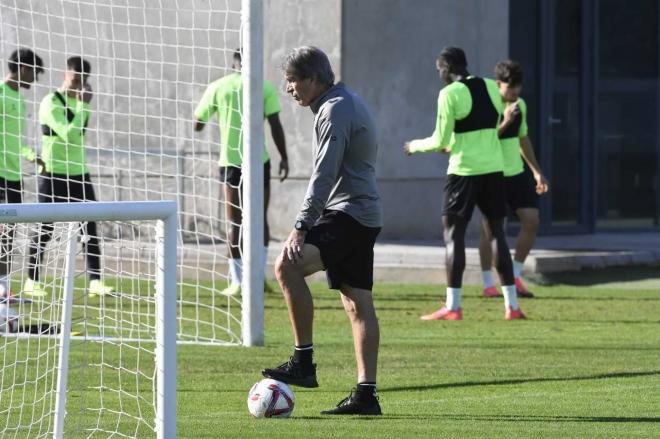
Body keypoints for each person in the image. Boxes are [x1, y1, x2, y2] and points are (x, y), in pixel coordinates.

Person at [261, 46, 383, 415]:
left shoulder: (334, 109)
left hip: (348, 214)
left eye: (293, 80)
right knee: (356, 301)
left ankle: (303, 361)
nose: (288, 89)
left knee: (287, 265)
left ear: (314, 78)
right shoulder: (342, 101)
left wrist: (301, 226)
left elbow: (323, 176)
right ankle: (366, 396)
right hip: (363, 214)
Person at [404, 47, 525, 320]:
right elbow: (494, 125)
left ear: (446, 68)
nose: (439, 75)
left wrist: (413, 146)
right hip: (494, 169)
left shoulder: (449, 93)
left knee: (454, 235)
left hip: (464, 172)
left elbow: (440, 140)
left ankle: (453, 306)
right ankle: (512, 306)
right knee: (497, 234)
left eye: (439, 70)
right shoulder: (492, 87)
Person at [194, 48, 288, 297]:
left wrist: (213, 115)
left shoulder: (218, 87)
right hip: (259, 160)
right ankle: (258, 279)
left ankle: (237, 281)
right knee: (259, 219)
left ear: (233, 63)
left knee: (235, 221)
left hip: (231, 162)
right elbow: (275, 124)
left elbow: (197, 123)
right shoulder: (263, 86)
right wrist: (285, 157)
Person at [25, 56, 114, 298]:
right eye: (76, 80)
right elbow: (70, 136)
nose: (79, 86)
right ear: (65, 75)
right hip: (52, 173)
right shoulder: (51, 102)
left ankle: (95, 281)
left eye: (83, 81)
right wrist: (84, 105)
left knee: (90, 227)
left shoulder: (81, 103)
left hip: (78, 173)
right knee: (45, 227)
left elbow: (80, 136)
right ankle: (31, 281)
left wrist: (83, 106)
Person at [479, 60, 549, 299]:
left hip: (517, 173)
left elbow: (522, 139)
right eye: (510, 88)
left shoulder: (521, 105)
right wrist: (505, 120)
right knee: (491, 230)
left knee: (532, 220)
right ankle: (488, 284)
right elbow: (484, 140)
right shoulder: (488, 105)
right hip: (491, 173)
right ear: (498, 84)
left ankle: (516, 276)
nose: (514, 93)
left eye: (518, 87)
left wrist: (536, 171)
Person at [0, 48, 45, 297]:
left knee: (9, 234)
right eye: (34, 73)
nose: (35, 79)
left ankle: (3, 287)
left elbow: (16, 140)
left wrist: (31, 156)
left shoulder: (20, 99)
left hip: (13, 176)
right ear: (24, 69)